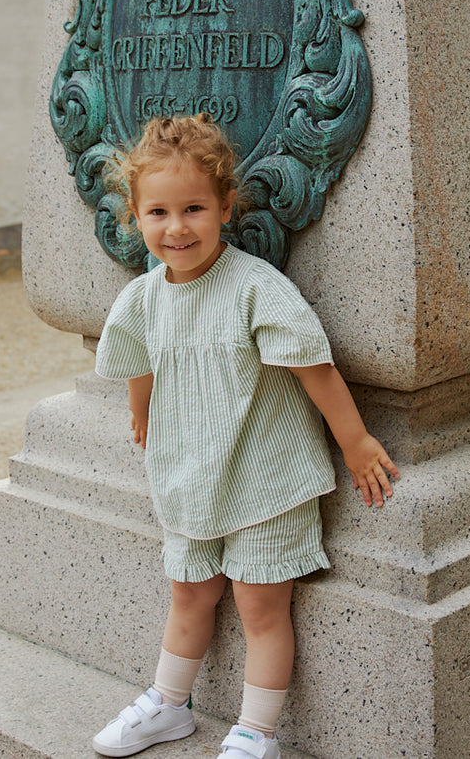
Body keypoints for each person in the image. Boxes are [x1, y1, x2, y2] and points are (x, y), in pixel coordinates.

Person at [92, 114, 399, 759]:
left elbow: (313, 367)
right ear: (136, 217)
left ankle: (255, 734)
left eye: (194, 208)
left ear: (226, 207)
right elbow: (139, 360)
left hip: (264, 475)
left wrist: (355, 441)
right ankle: (168, 705)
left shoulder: (255, 290)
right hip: (191, 475)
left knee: (261, 608)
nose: (176, 228)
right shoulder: (142, 299)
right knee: (189, 593)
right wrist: (142, 410)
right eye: (158, 212)